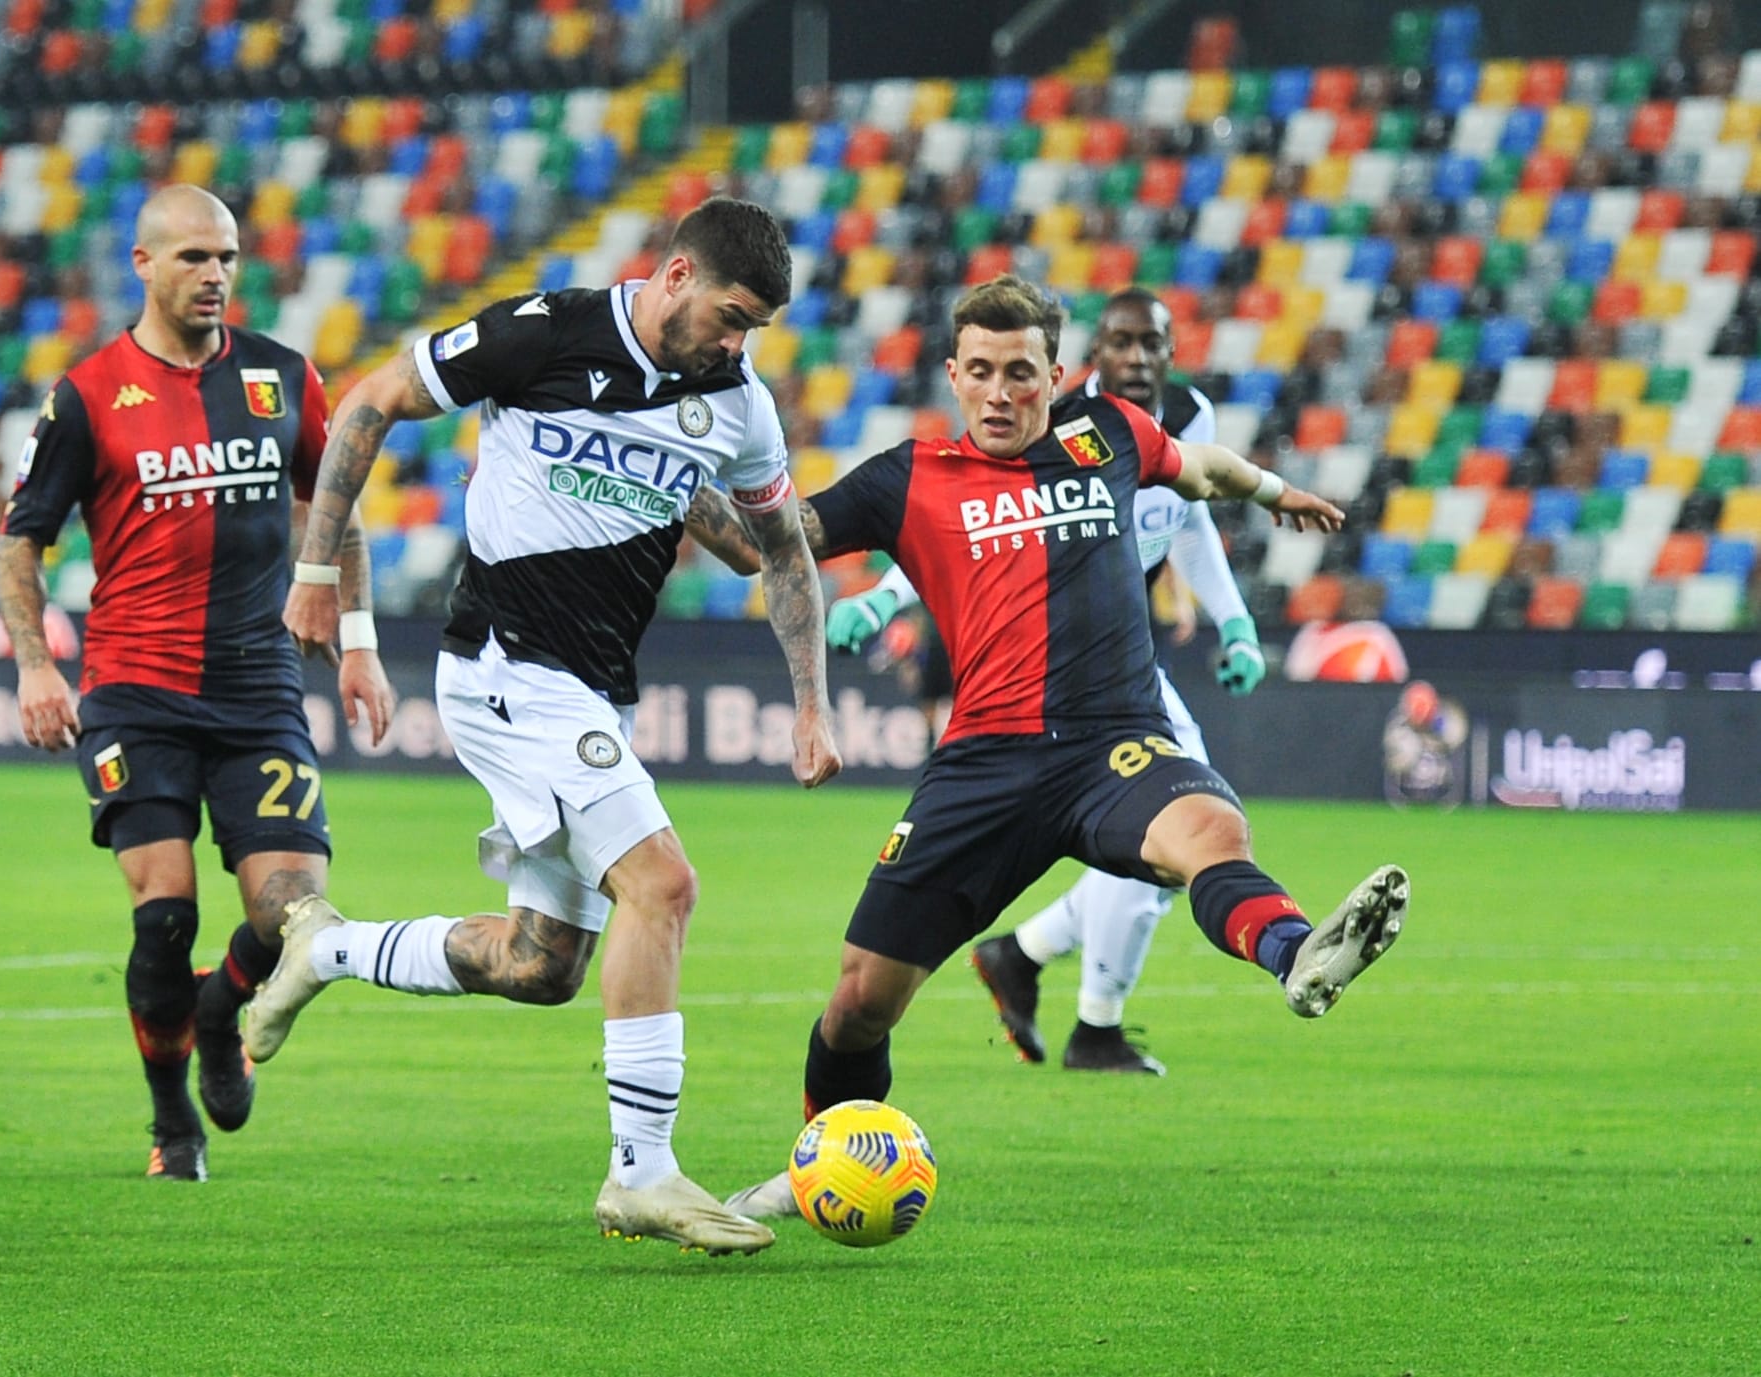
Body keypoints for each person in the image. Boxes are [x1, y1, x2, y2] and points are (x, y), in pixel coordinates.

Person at [725, 274, 1407, 1220]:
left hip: (1112, 744)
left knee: (1210, 828)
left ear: (1056, 374)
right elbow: (774, 538)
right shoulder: (906, 477)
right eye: (981, 373)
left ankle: (1297, 953)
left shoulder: (1110, 436)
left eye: (1021, 373)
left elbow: (1204, 470)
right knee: (858, 1002)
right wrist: (679, 492)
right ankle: (817, 1166)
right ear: (953, 376)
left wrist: (1277, 492)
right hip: (985, 766)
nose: (1000, 393)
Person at [244, 196, 841, 1256]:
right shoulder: (544, 331)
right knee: (664, 884)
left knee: (540, 966)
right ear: (674, 278)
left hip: (593, 689)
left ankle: (331, 948)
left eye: (754, 327)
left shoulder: (735, 402)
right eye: (731, 314)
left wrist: (810, 704)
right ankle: (639, 1175)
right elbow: (370, 403)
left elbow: (772, 550)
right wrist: (316, 573)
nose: (738, 341)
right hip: (504, 666)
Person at [0, 184, 395, 1182]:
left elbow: (335, 507)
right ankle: (173, 1123)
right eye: (192, 259)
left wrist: (357, 639)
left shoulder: (278, 376)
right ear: (143, 265)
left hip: (260, 683)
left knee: (290, 914)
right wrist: (39, 663)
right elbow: (20, 542)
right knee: (163, 912)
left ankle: (221, 1016)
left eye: (225, 257)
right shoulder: (88, 394)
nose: (214, 275)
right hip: (136, 686)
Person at [831, 287, 1268, 1075]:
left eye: (1153, 343)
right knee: (1163, 854)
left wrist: (1234, 616)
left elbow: (1191, 510)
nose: (1137, 358)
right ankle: (1073, 1000)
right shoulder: (1067, 420)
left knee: (1186, 844)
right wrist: (883, 596)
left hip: (1117, 681)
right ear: (1093, 359)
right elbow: (969, 527)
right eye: (1124, 343)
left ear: (1172, 351)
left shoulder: (1176, 419)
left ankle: (1050, 975)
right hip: (1021, 678)